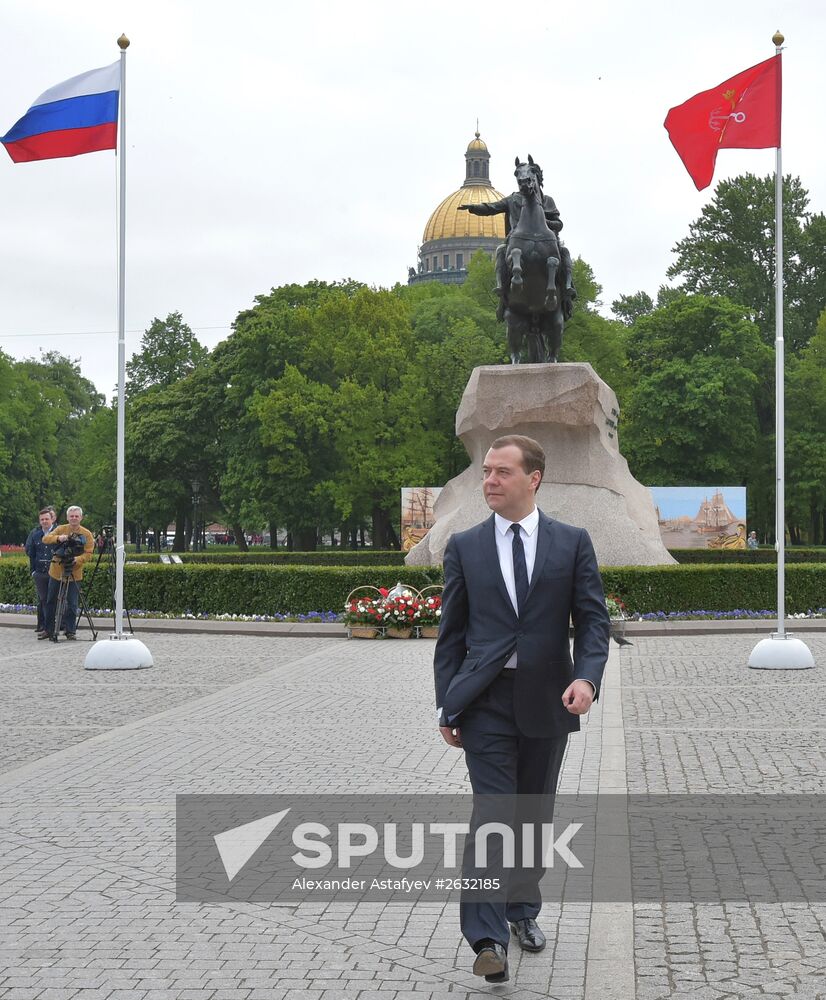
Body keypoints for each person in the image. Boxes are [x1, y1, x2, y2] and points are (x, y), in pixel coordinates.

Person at [434, 434, 609, 983]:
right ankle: (485, 938)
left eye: (501, 472)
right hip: (484, 702)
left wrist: (587, 678)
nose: (489, 480)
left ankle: (522, 911)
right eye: (486, 471)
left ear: (533, 479)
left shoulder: (571, 542)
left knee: (532, 814)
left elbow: (593, 620)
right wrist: (448, 705)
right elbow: (451, 636)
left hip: (548, 699)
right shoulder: (464, 546)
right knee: (494, 814)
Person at [459, 159, 576, 320]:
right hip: (517, 239)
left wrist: (542, 221)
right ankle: (501, 290)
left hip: (545, 240)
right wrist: (473, 208)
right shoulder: (512, 199)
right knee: (501, 250)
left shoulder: (547, 200)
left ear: (535, 178)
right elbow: (491, 208)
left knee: (564, 252)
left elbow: (559, 223)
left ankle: (567, 290)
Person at [41, 505, 95, 641]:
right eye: (71, 516)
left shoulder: (86, 534)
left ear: (81, 517)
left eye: (76, 516)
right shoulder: (60, 529)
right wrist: (60, 538)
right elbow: (46, 539)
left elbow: (89, 553)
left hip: (74, 572)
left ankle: (70, 630)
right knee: (50, 601)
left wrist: (77, 559)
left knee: (72, 604)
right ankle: (49, 629)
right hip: (56, 571)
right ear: (67, 517)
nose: (74, 518)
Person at [24, 506, 57, 637]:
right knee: (44, 600)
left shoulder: (56, 534)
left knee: (52, 600)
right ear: (39, 521)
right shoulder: (36, 535)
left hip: (54, 572)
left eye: (46, 519)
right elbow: (31, 553)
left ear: (52, 520)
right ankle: (47, 629)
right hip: (40, 573)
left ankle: (55, 627)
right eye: (42, 519)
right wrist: (33, 571)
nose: (44, 521)